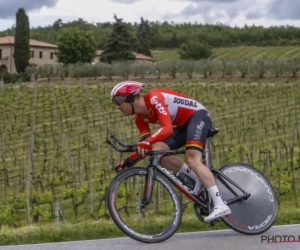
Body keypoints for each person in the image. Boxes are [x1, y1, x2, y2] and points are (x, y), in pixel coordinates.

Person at [110, 81, 231, 223]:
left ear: (133, 97)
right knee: (158, 155)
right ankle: (197, 177)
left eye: (118, 100)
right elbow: (146, 147)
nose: (118, 107)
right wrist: (128, 161)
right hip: (182, 125)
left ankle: (220, 204)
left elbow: (167, 128)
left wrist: (148, 141)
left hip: (197, 117)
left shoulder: (154, 98)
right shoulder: (139, 118)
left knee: (192, 159)